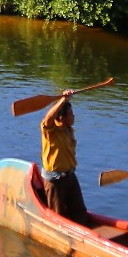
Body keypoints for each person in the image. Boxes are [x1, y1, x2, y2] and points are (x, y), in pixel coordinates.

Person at [37, 94, 89, 223]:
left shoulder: (68, 129)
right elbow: (48, 119)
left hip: (70, 176)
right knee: (57, 217)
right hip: (55, 180)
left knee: (80, 212)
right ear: (61, 117)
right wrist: (63, 100)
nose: (74, 116)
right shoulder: (51, 131)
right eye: (70, 113)